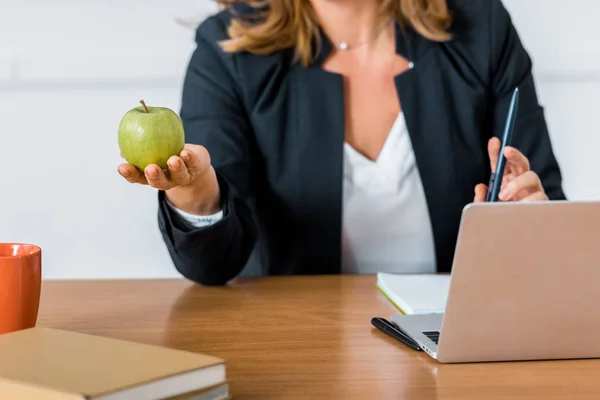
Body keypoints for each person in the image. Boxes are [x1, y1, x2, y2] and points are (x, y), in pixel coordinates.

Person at [117, 0, 566, 286]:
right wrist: (195, 192)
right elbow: (213, 266)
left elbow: (547, 207)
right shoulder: (225, 50)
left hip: (456, 338)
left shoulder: (483, 27)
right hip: (298, 347)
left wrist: (529, 219)